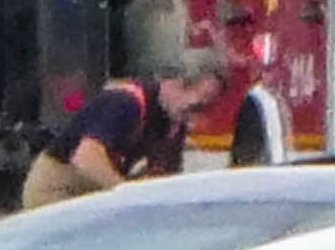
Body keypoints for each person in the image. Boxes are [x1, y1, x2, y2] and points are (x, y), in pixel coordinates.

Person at [23, 49, 231, 210]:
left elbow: (164, 178)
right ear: (174, 83)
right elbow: (85, 158)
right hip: (56, 191)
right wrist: (127, 195)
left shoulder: (174, 122)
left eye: (206, 109)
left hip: (95, 194)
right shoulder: (126, 102)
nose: (196, 118)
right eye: (196, 107)